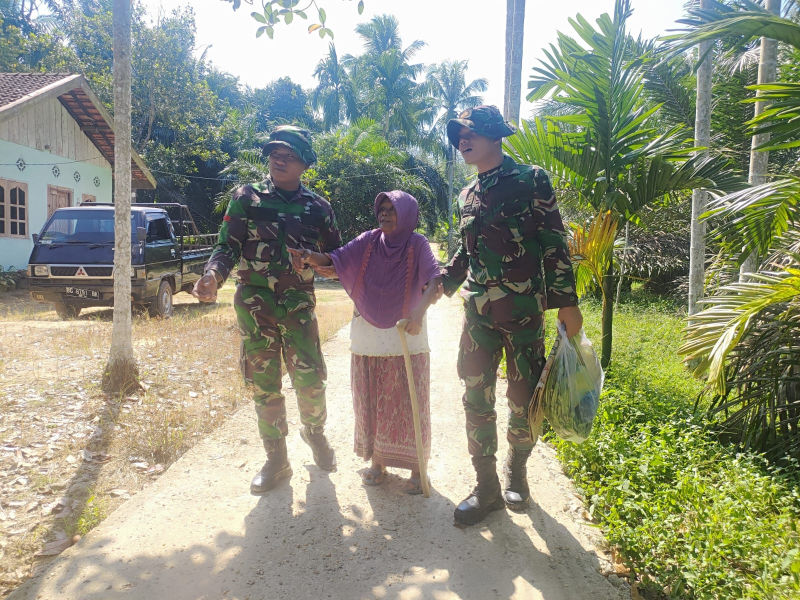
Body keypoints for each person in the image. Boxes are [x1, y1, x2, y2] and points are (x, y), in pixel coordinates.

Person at [441, 106, 583, 526]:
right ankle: (485, 487)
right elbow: (466, 253)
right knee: (475, 394)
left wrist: (567, 302)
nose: (462, 140)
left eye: (469, 132)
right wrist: (440, 285)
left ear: (493, 134)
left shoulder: (530, 179)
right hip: (477, 314)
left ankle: (516, 469)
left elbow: (553, 240)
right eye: (458, 134)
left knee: (523, 399)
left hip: (522, 312)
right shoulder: (465, 194)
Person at [192, 125, 341, 494]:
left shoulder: (319, 208)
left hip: (299, 308)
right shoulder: (247, 197)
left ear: (305, 163)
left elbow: (338, 259)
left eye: (289, 154)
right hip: (256, 307)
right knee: (265, 384)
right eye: (275, 152)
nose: (279, 158)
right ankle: (276, 459)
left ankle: (315, 432)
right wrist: (212, 276)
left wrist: (316, 261)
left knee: (310, 381)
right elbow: (227, 246)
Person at [289, 191, 442, 494]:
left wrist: (418, 313)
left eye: (392, 209)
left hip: (405, 335)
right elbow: (335, 260)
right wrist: (308, 256)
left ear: (408, 214)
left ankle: (416, 467)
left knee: (409, 403)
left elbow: (435, 281)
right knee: (371, 400)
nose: (384, 214)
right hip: (367, 335)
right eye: (381, 209)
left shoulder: (417, 243)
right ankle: (378, 463)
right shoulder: (369, 240)